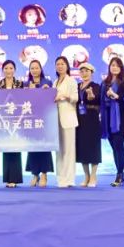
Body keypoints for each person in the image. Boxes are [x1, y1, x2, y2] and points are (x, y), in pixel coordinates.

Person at [101, 56, 124, 187]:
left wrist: (113, 95)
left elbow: (122, 97)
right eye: (112, 65)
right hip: (107, 117)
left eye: (117, 65)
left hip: (120, 117)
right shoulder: (105, 82)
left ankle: (120, 173)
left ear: (121, 68)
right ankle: (120, 172)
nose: (114, 67)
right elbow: (101, 100)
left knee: (119, 145)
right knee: (113, 146)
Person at [24, 59, 54, 187]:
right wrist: (28, 91)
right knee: (33, 147)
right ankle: (35, 174)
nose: (34, 70)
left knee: (44, 146)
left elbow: (51, 100)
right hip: (30, 119)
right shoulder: (26, 84)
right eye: (32, 68)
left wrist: (47, 90)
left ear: (41, 69)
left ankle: (44, 174)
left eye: (37, 68)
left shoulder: (47, 82)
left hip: (44, 119)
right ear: (29, 70)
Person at [0, 60, 24, 187]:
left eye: (11, 68)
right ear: (2, 70)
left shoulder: (20, 84)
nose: (8, 70)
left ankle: (15, 178)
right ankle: (8, 178)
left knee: (16, 147)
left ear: (15, 70)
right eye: (6, 68)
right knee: (6, 147)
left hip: (17, 119)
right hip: (3, 119)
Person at [53, 55, 78, 188]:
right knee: (59, 150)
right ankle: (60, 178)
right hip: (56, 118)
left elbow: (75, 98)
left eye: (62, 64)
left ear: (67, 66)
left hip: (68, 117)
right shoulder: (55, 82)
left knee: (69, 150)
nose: (60, 66)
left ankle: (69, 179)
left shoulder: (71, 81)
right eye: (58, 64)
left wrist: (64, 96)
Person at [75, 63, 102, 187]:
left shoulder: (96, 86)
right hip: (80, 119)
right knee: (82, 147)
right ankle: (86, 175)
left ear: (92, 72)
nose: (84, 73)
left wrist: (91, 95)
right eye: (82, 71)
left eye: (87, 71)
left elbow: (96, 99)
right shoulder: (77, 86)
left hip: (92, 119)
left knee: (93, 147)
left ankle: (93, 176)